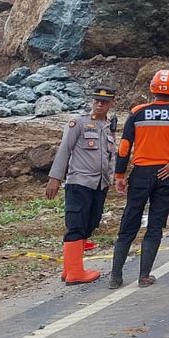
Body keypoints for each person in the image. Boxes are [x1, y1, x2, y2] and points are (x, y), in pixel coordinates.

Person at [109, 69, 169, 289]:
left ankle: (115, 277)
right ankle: (144, 277)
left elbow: (123, 147)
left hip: (140, 173)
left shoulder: (137, 112)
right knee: (155, 225)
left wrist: (120, 175)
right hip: (164, 173)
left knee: (129, 222)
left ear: (152, 88)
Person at [44, 86, 117, 285]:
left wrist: (112, 178)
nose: (100, 104)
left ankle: (69, 269)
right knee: (75, 224)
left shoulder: (109, 127)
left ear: (111, 104)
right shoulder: (79, 122)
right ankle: (75, 273)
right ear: (92, 101)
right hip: (79, 182)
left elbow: (110, 157)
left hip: (99, 184)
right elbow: (64, 150)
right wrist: (55, 178)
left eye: (105, 101)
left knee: (90, 223)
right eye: (97, 100)